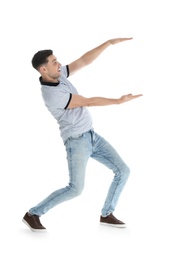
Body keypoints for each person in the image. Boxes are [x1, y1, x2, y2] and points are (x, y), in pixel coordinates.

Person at [22, 37, 142, 232]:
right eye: (54, 62)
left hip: (92, 136)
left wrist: (108, 43)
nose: (59, 64)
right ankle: (33, 213)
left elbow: (83, 61)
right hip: (76, 142)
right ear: (44, 69)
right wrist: (118, 101)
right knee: (75, 189)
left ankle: (106, 214)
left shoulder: (59, 76)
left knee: (123, 170)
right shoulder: (51, 94)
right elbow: (88, 101)